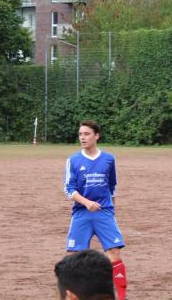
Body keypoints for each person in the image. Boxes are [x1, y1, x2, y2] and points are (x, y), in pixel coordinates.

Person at [63, 120, 127, 300]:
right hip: (82, 213)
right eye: (80, 134)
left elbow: (112, 186)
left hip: (104, 212)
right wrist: (86, 202)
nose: (82, 137)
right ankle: (75, 295)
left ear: (96, 136)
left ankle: (121, 296)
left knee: (114, 252)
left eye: (86, 134)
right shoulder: (73, 160)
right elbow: (69, 189)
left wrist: (111, 208)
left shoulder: (109, 159)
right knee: (75, 257)